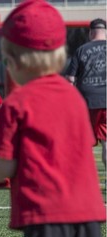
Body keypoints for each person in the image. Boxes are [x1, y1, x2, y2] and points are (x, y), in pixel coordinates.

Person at [0, 1, 106, 237]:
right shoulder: (74, 98)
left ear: (14, 62)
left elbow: (6, 166)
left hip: (45, 215)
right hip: (87, 213)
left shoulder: (16, 103)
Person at [65, 18, 107, 168]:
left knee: (84, 142)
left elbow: (70, 79)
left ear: (91, 33)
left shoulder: (81, 50)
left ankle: (83, 180)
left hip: (87, 101)